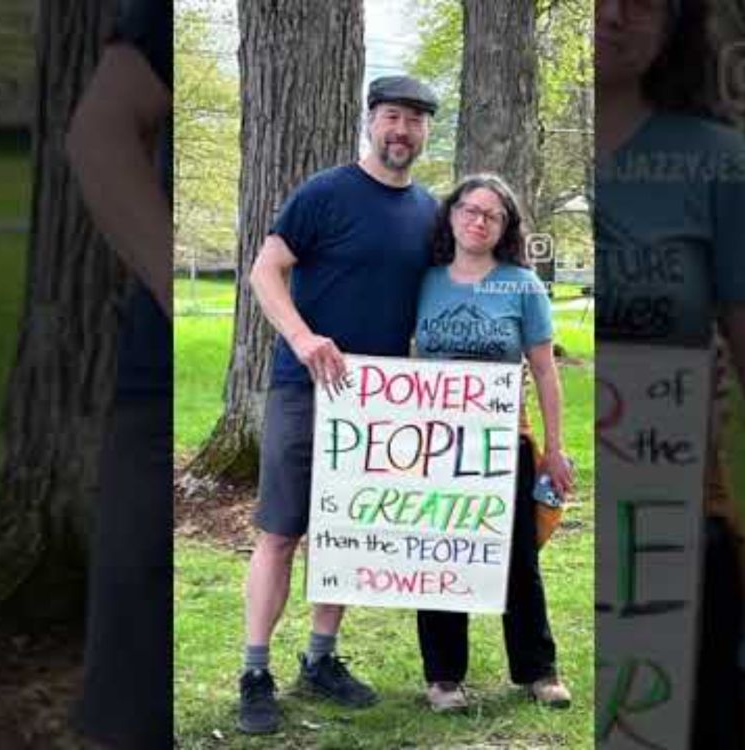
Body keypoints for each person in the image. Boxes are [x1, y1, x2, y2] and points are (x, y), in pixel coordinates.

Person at [594, 0, 745, 746]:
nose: (615, 15)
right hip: (558, 532)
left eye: (645, 2)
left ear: (675, 25)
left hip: (678, 536)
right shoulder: (507, 163)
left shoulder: (714, 162)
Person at [239, 75, 440, 734]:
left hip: (379, 403)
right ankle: (255, 672)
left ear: (426, 131)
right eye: (391, 117)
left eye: (414, 120)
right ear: (370, 122)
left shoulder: (431, 214)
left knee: (346, 533)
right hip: (307, 388)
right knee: (280, 532)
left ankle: (319, 661)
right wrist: (301, 338)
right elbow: (265, 270)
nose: (401, 131)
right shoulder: (324, 193)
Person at [412, 173, 575, 712]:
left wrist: (554, 448)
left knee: (517, 558)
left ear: (505, 227)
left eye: (492, 215)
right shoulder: (424, 279)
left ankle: (538, 669)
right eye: (470, 209)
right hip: (434, 443)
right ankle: (443, 677)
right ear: (452, 214)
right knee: (440, 554)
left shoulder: (520, 285)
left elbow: (547, 373)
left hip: (504, 442)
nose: (478, 220)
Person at [65, 0, 173, 747]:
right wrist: (198, 308)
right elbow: (99, 136)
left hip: (338, 400)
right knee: (141, 712)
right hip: (167, 400)